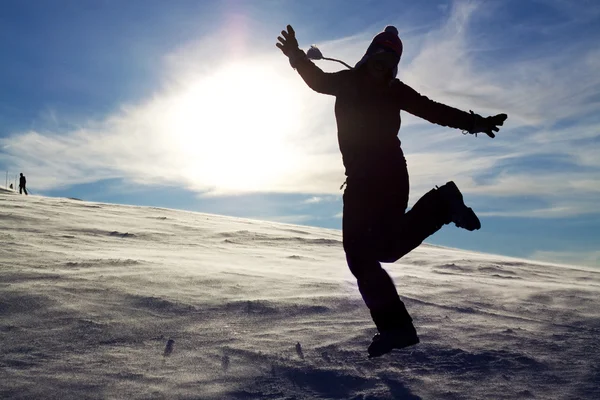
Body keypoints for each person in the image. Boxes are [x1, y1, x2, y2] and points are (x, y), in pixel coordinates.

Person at [276, 25, 507, 357]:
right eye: (378, 61)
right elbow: (316, 79)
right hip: (359, 181)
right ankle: (442, 206)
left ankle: (397, 325)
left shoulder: (394, 91)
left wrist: (476, 123)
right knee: (376, 252)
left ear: (394, 68)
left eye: (390, 64)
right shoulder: (346, 82)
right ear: (368, 58)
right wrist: (295, 55)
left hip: (387, 176)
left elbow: (433, 110)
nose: (382, 69)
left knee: (363, 253)